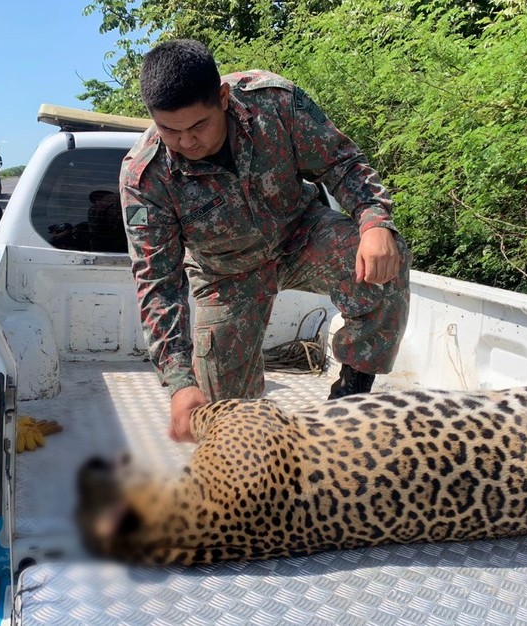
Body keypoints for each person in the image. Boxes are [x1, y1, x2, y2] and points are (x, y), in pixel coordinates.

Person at [120, 39, 411, 443]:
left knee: (385, 258)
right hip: (225, 274)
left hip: (300, 235)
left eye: (198, 126)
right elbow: (158, 285)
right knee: (226, 420)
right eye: (170, 129)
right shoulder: (145, 177)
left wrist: (374, 221)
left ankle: (348, 401)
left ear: (222, 97)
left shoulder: (274, 103)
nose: (186, 142)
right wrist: (179, 381)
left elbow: (342, 164)